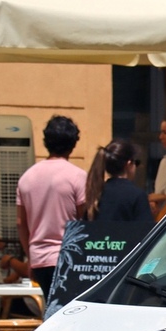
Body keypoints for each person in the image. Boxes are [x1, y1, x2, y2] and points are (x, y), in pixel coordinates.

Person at [16, 115, 86, 295]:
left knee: (50, 309)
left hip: (39, 259)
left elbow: (21, 223)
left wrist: (30, 258)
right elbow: (84, 219)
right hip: (69, 258)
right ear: (73, 143)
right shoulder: (77, 176)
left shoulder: (27, 177)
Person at [84, 140, 154, 224]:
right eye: (136, 162)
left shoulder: (96, 192)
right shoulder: (137, 195)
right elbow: (145, 230)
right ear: (128, 164)